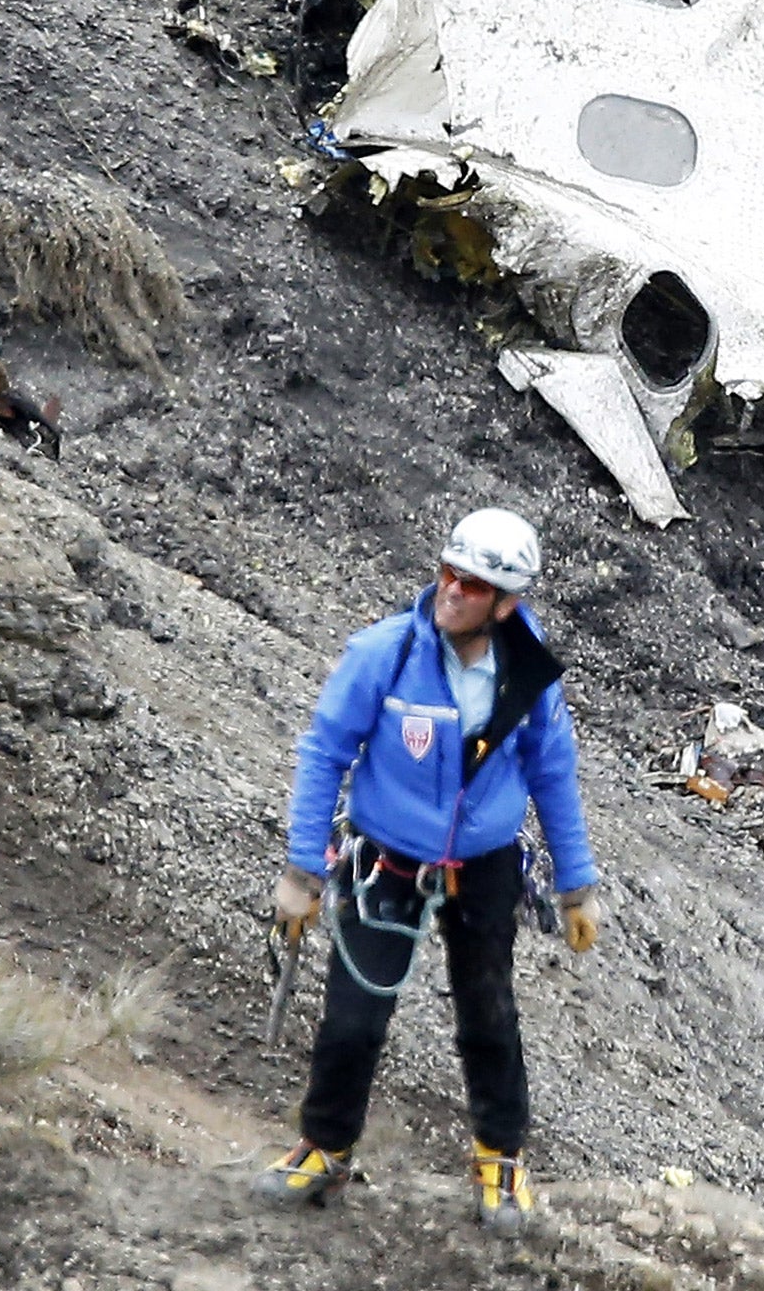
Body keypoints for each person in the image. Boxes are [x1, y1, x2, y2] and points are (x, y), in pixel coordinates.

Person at [250, 507, 601, 1233]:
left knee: (489, 1015)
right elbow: (324, 754)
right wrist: (301, 871)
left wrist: (578, 886)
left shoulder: (527, 674)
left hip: (486, 865)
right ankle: (326, 1145)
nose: (450, 591)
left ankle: (499, 1157)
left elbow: (554, 774)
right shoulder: (385, 654)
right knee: (353, 1017)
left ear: (506, 603)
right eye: (446, 573)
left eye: (470, 585)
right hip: (386, 861)